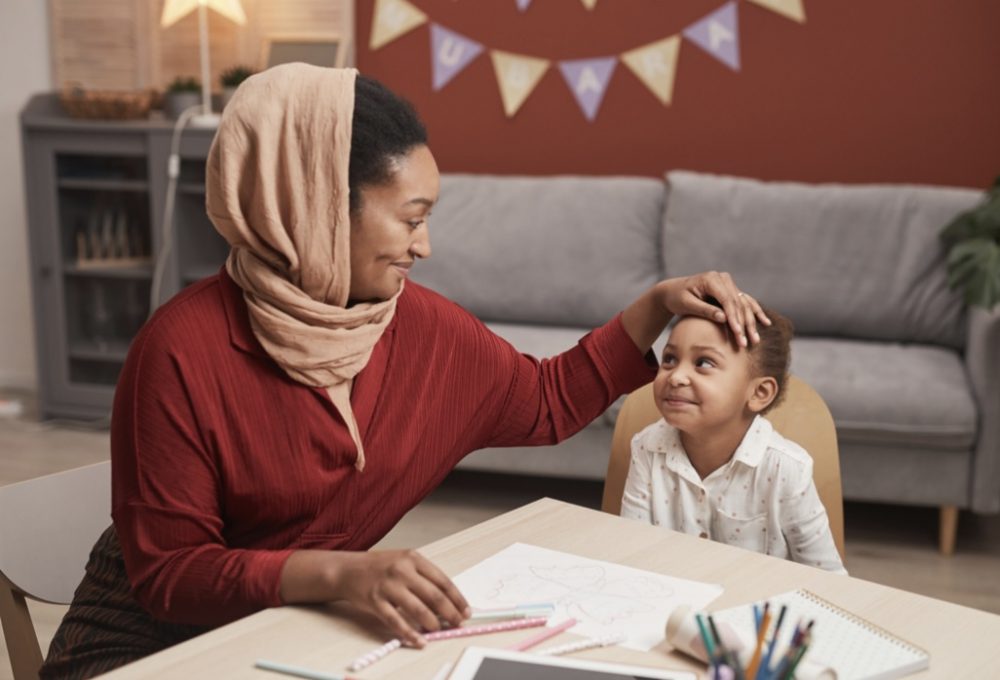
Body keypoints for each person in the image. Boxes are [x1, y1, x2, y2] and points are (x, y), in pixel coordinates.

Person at [40, 64, 770, 678]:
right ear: (320, 208)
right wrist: (343, 574)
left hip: (296, 634)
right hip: (147, 651)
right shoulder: (179, 352)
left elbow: (544, 401)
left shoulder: (418, 328)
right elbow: (172, 576)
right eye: (409, 216)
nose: (425, 246)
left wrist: (655, 305)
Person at [619, 305, 846, 574]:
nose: (676, 376)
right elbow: (631, 556)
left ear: (760, 392)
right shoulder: (647, 447)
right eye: (669, 359)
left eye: (703, 362)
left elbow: (830, 580)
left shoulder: (786, 469)